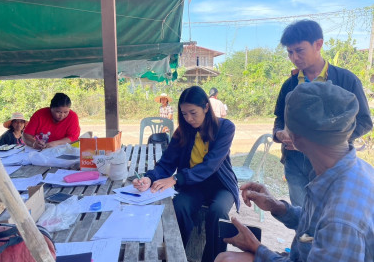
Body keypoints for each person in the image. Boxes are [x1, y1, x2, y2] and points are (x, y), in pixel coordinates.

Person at [215, 81, 374, 262]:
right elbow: (315, 228)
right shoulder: (349, 170)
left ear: (295, 138)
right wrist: (278, 207)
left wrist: (257, 248)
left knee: (225, 260)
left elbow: (330, 225)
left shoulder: (342, 221)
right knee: (225, 258)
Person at [273, 19, 373, 207]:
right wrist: (279, 134)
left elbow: (365, 121)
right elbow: (279, 119)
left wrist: (327, 139)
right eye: (290, 52)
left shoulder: (345, 80)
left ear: (318, 44)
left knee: (331, 213)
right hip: (295, 163)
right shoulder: (290, 85)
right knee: (302, 218)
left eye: (299, 50)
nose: (294, 57)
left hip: (331, 163)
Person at [133, 86, 239, 262]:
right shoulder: (182, 132)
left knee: (218, 212)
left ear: (206, 107)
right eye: (184, 114)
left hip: (221, 185)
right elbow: (167, 162)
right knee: (179, 207)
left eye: (193, 113)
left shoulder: (225, 128)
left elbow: (210, 165)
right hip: (194, 186)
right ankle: (176, 254)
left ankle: (214, 259)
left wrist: (175, 179)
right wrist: (149, 178)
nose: (189, 119)